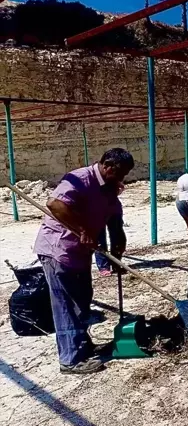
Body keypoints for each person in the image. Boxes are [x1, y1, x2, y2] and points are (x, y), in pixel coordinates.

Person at [34, 148, 134, 374]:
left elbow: (116, 227)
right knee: (66, 305)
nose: (122, 179)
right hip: (58, 249)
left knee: (82, 300)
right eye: (120, 173)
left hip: (80, 254)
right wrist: (82, 229)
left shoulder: (110, 191)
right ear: (108, 165)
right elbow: (55, 205)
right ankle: (71, 360)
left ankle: (82, 345)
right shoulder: (79, 179)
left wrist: (118, 254)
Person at [95, 181, 125, 277]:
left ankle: (116, 263)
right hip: (97, 210)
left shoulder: (113, 176)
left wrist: (118, 189)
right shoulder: (92, 178)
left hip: (114, 209)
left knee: (118, 238)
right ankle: (103, 266)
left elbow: (120, 187)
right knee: (100, 239)